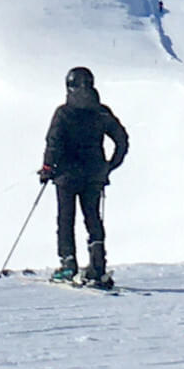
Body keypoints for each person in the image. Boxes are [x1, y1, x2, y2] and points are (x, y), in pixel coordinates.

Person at [39, 66, 129, 289]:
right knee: (93, 218)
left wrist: (47, 168)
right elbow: (121, 140)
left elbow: (54, 143)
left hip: (66, 176)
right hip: (94, 174)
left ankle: (68, 265)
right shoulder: (100, 111)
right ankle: (97, 266)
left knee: (65, 219)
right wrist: (109, 166)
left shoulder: (64, 113)